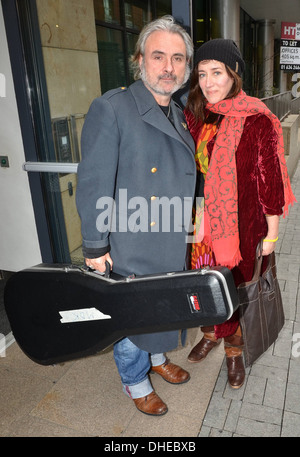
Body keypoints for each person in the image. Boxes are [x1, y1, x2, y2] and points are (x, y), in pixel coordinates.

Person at [76, 16, 196, 416]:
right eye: (158, 55)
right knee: (132, 323)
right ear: (139, 59)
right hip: (132, 246)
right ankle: (135, 381)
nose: (168, 67)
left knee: (163, 308)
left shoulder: (175, 110)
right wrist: (95, 246)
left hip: (170, 239)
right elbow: (93, 182)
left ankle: (158, 359)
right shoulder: (113, 107)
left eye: (177, 58)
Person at [184, 38, 296, 389]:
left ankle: (234, 350)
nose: (208, 82)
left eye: (217, 72)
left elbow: (271, 183)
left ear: (233, 75)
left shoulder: (256, 119)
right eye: (201, 73)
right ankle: (211, 332)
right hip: (197, 225)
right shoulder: (193, 114)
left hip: (241, 228)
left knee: (233, 288)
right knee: (200, 284)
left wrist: (271, 235)